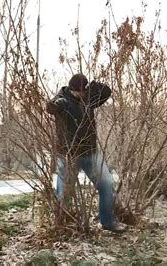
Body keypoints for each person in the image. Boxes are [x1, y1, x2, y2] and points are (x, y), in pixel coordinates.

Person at [45, 73, 125, 233]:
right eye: (79, 92)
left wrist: (92, 85)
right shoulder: (62, 99)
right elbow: (50, 107)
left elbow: (107, 92)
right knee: (64, 193)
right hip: (69, 155)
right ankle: (63, 226)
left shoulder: (88, 99)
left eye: (83, 92)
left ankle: (107, 222)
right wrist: (58, 104)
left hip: (89, 152)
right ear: (72, 90)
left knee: (106, 184)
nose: (81, 95)